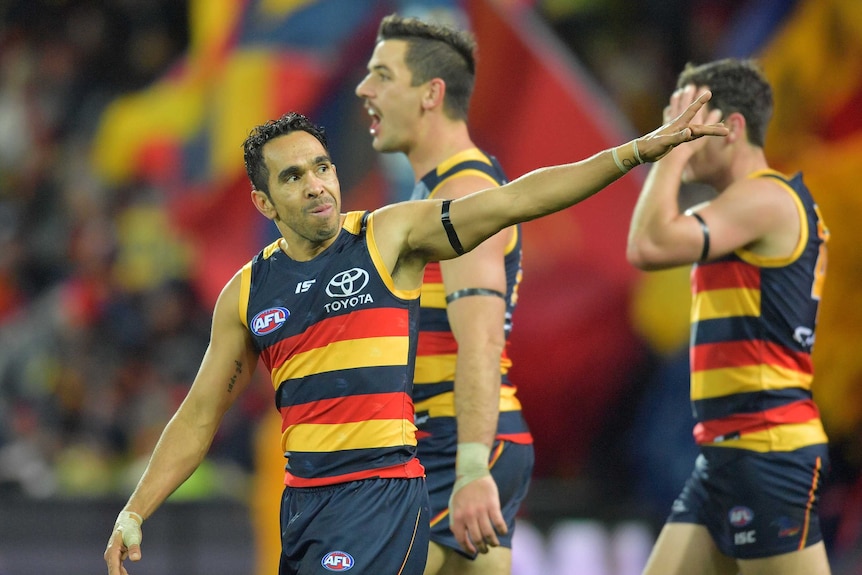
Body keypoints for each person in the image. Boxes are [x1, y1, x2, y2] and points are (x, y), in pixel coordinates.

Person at [104, 93, 726, 575]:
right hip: (303, 504)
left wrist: (635, 151)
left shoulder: (387, 238)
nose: (317, 184)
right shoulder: (245, 293)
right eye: (293, 177)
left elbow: (515, 202)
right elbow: (199, 414)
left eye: (322, 166)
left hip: (382, 496)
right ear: (264, 204)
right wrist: (136, 509)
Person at [626, 58, 832, 575]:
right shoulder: (741, 209)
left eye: (694, 121)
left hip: (766, 449)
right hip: (725, 452)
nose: (682, 134)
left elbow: (648, 244)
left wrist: (667, 151)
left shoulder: (764, 198)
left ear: (733, 128)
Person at [354, 14, 533, 574]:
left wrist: (473, 469)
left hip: (458, 446)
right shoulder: (433, 190)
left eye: (382, 75)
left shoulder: (463, 194)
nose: (364, 89)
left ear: (431, 94)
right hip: (447, 445)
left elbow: (479, 340)